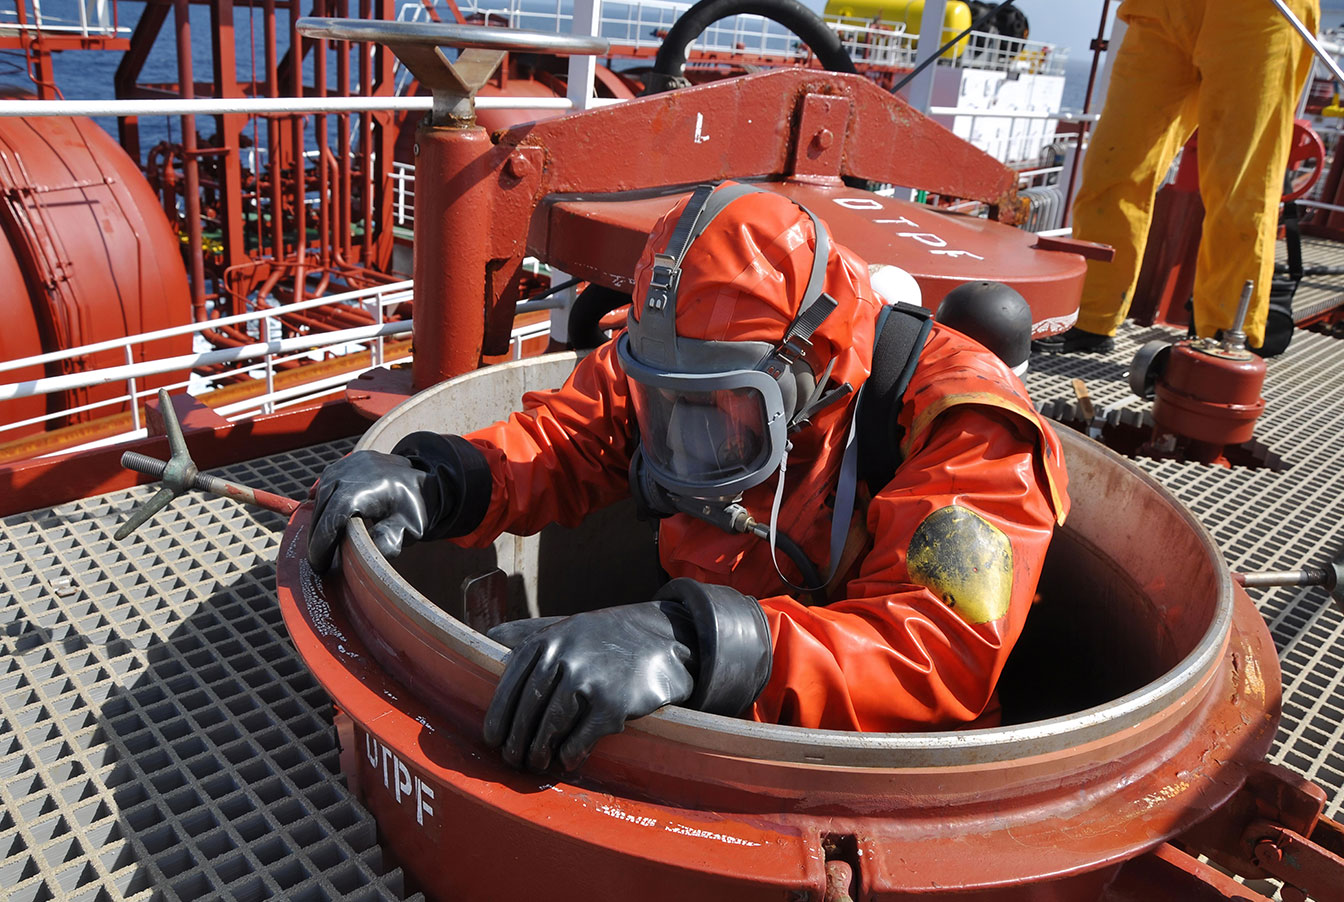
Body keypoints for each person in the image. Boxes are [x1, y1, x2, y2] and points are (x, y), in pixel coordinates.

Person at [308, 182, 1069, 773]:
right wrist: (445, 478)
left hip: (870, 773)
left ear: (809, 363)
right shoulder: (682, 357)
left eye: (723, 411)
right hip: (704, 704)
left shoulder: (965, 424)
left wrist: (695, 646)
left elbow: (935, 652)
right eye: (665, 405)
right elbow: (566, 437)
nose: (686, 440)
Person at [1036, 0, 1320, 355]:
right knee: (1113, 167)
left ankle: (1223, 337)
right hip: (1162, 8)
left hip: (1258, 13)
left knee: (1243, 185)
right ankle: (1090, 318)